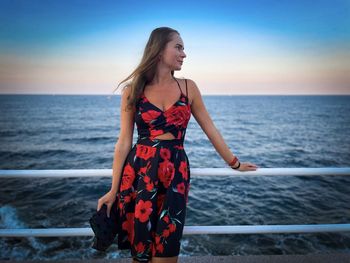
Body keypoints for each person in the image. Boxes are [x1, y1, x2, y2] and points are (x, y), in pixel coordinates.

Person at [97, 27, 258, 263]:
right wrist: (113, 189)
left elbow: (210, 129)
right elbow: (123, 142)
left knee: (167, 253)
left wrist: (234, 163)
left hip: (175, 174)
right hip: (140, 172)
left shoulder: (188, 87)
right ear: (159, 49)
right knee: (140, 254)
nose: (184, 54)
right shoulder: (133, 91)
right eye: (179, 47)